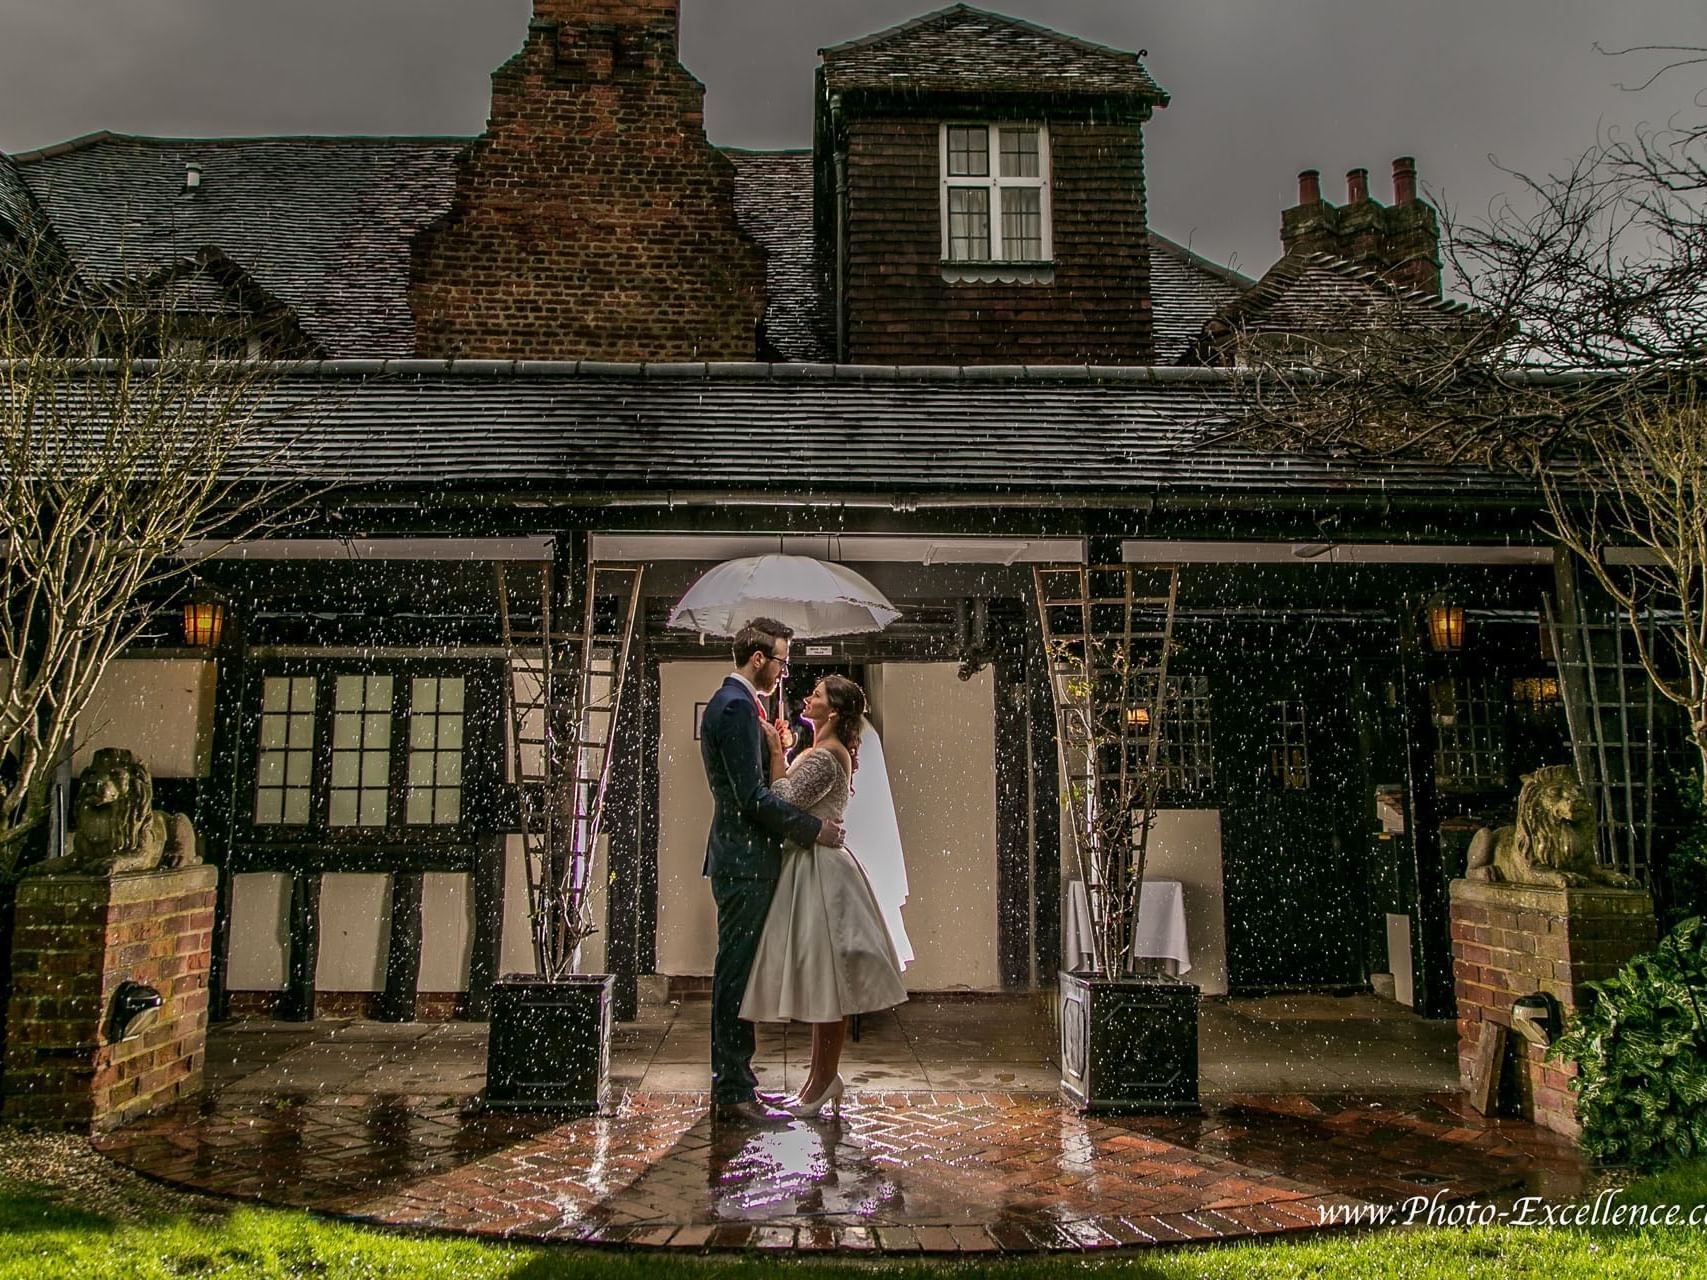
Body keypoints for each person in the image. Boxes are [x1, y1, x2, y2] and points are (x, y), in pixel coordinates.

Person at [739, 674, 909, 1119]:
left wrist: (777, 754)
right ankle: (818, 1080)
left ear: (832, 711)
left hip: (821, 874)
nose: (807, 698)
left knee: (827, 980)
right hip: (811, 864)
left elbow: (784, 801)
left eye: (816, 695)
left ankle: (822, 1080)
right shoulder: (821, 752)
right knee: (820, 980)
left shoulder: (827, 758)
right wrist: (791, 750)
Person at [699, 618, 845, 1125]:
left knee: (737, 972)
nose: (785, 672)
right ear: (758, 658)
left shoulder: (739, 707)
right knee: (735, 975)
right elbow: (752, 799)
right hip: (744, 860)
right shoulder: (736, 706)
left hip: (740, 857)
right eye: (781, 660)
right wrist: (812, 829)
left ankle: (737, 1084)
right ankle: (733, 1090)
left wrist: (772, 749)